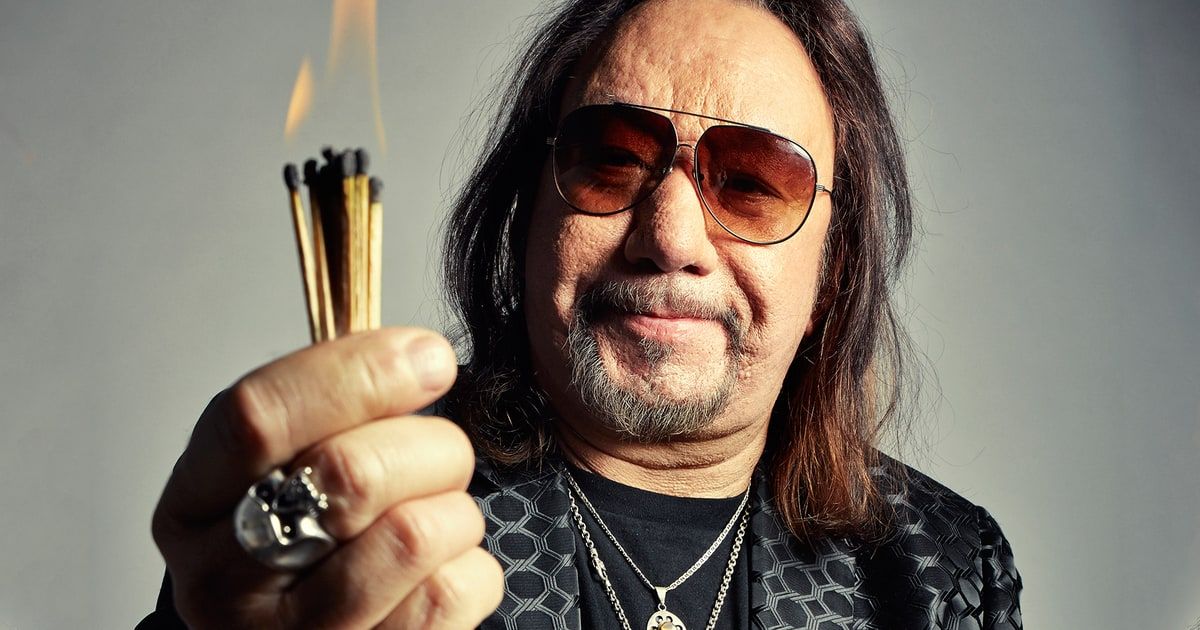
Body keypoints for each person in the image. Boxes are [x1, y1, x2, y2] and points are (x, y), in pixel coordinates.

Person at [141, 0, 1023, 628]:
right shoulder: (364, 507)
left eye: (753, 184)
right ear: (526, 218)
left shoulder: (943, 572)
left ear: (831, 273)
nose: (670, 237)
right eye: (611, 160)